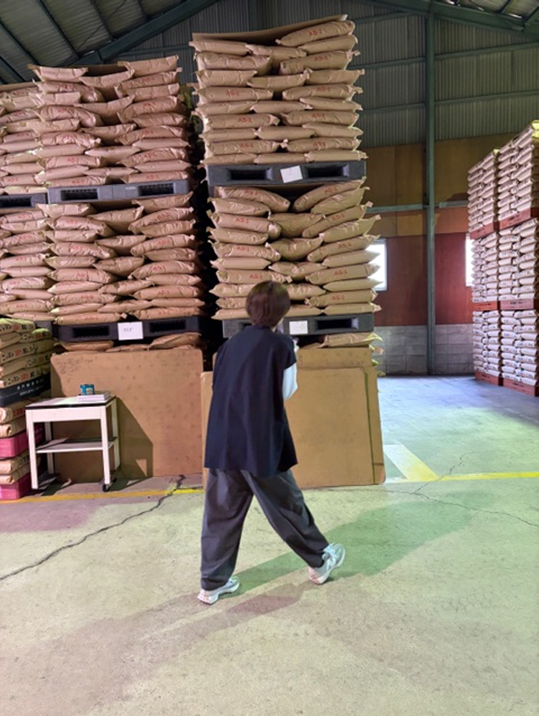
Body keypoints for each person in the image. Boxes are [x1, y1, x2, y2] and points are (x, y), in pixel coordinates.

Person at [199, 281, 345, 605]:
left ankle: (212, 583)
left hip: (223, 441)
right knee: (286, 506)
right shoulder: (282, 345)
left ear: (249, 309)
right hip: (260, 442)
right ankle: (320, 561)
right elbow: (286, 392)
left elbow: (218, 388)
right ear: (283, 312)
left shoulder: (228, 346)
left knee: (220, 514)